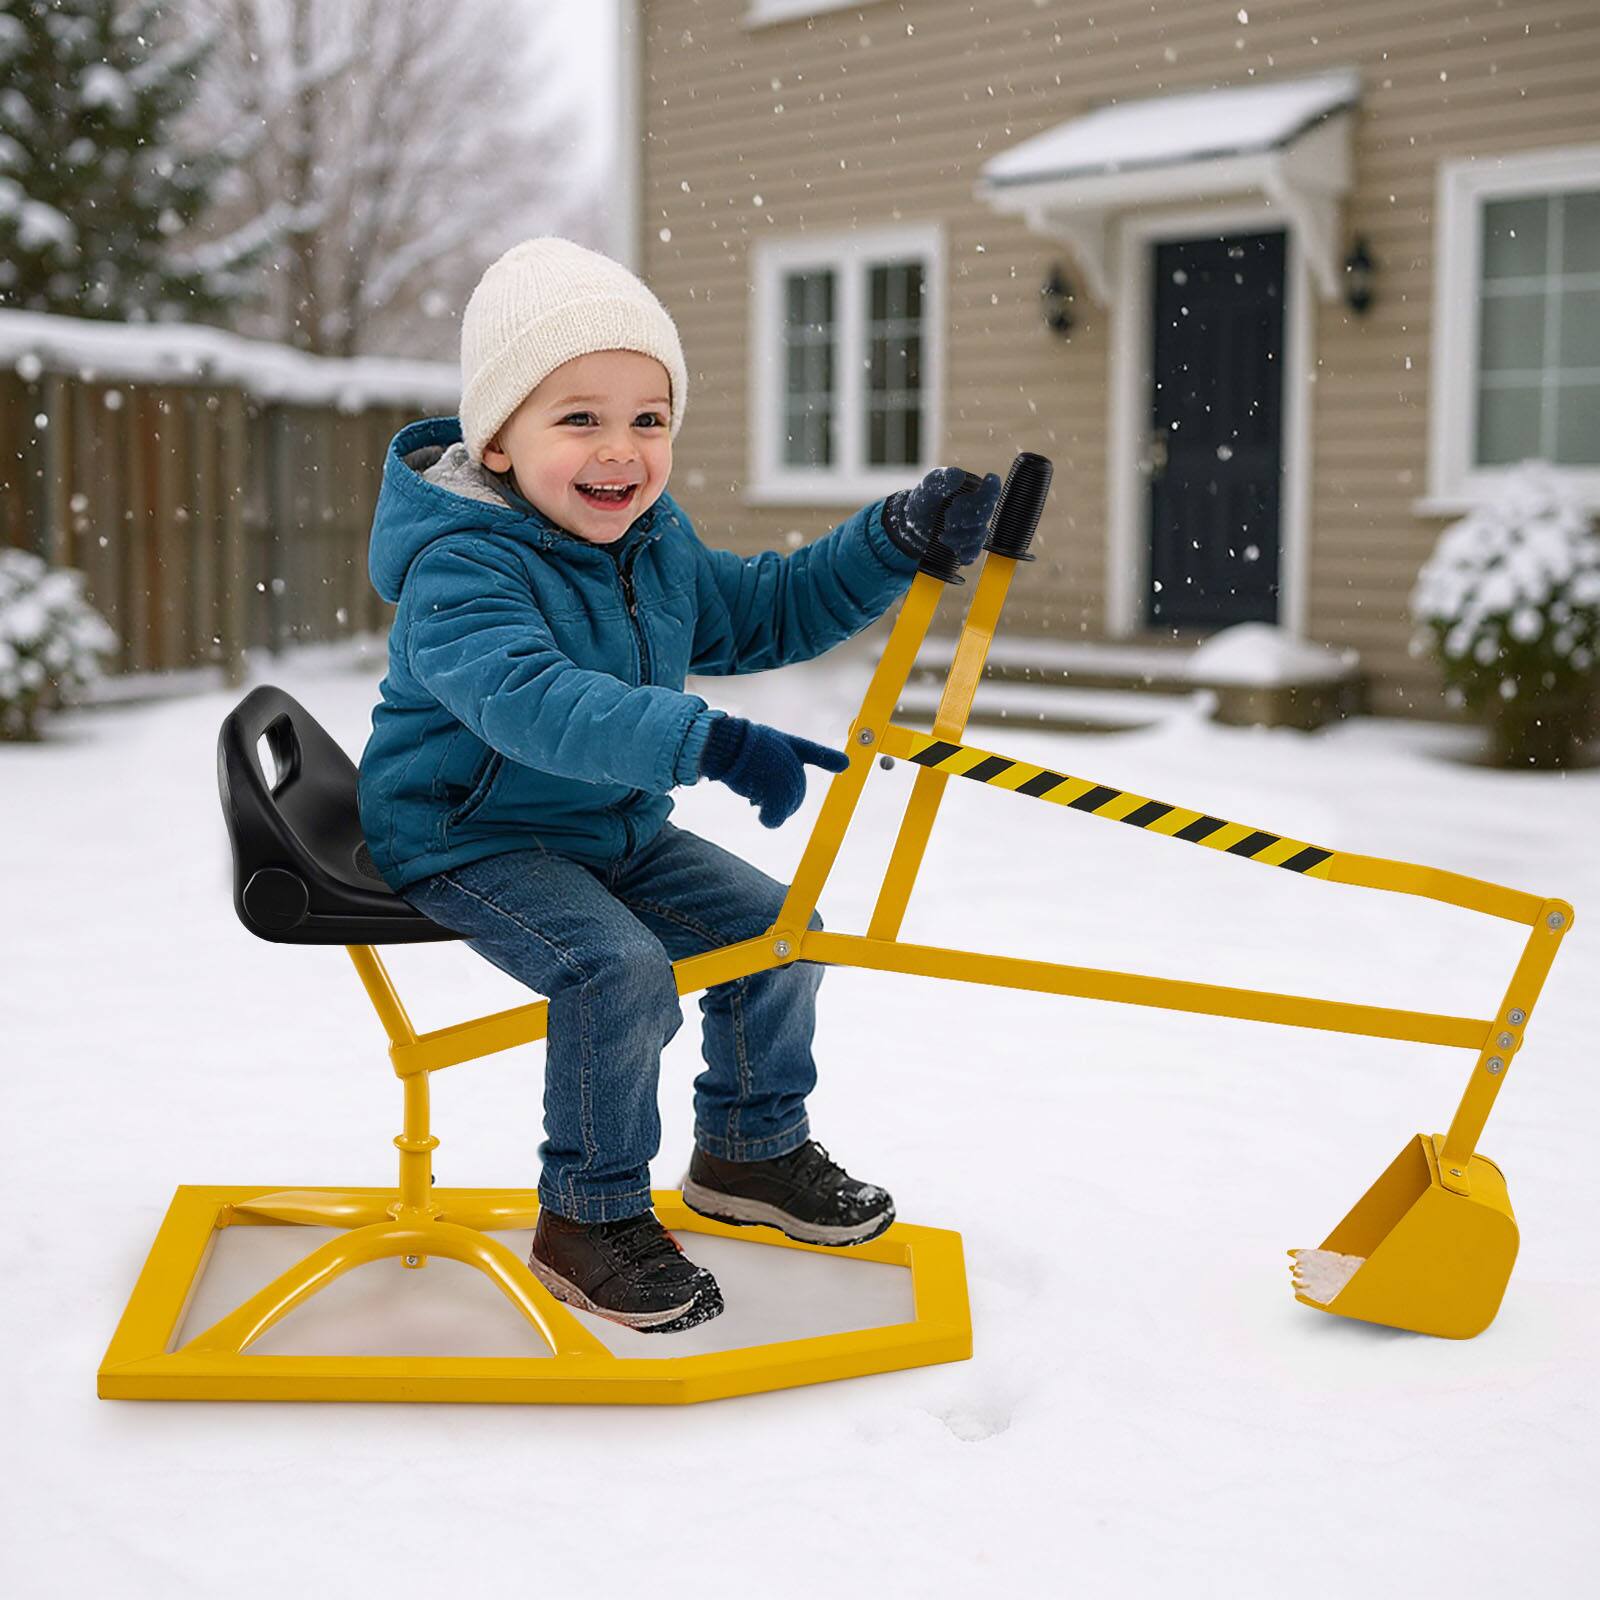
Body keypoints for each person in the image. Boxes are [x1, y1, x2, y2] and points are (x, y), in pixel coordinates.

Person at [357, 237, 999, 1333]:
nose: (621, 450)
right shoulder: (460, 566)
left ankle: (748, 1150)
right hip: (468, 833)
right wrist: (704, 739)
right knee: (616, 969)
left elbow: (762, 610)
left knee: (777, 926)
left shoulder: (649, 543)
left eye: (647, 418)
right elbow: (530, 700)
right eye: (579, 418)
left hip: (605, 826)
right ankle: (589, 1217)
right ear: (497, 441)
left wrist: (887, 540)